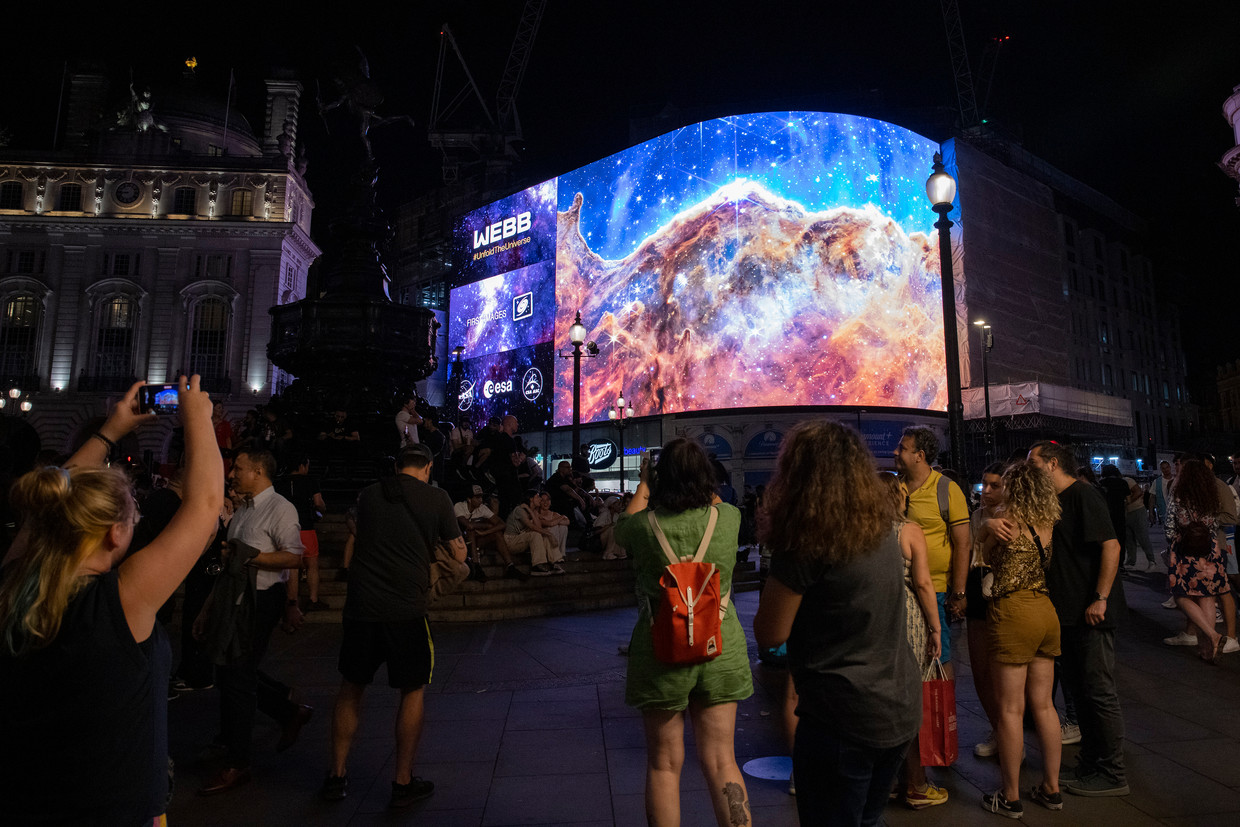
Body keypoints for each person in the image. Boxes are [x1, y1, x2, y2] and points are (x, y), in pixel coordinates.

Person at [0, 377, 222, 824]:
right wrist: (199, 417)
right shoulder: (119, 602)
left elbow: (49, 506)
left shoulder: (12, 582)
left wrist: (110, 431)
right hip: (110, 808)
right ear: (114, 534)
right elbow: (205, 506)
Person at [754, 421, 920, 826]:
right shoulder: (881, 528)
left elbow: (770, 633)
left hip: (842, 716)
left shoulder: (808, 541)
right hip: (898, 705)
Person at [617, 437, 752, 826]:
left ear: (662, 478)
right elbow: (713, 501)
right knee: (722, 759)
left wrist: (646, 484)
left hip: (661, 651)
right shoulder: (729, 518)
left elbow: (621, 530)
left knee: (663, 763)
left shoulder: (642, 528)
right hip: (720, 649)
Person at [322, 444, 466, 808]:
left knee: (351, 688)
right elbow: (459, 553)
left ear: (398, 465)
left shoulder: (369, 495)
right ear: (428, 467)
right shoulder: (437, 498)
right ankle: (402, 781)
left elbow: (355, 528)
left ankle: (336, 775)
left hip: (361, 607)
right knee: (412, 690)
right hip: (406, 608)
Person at [198, 444, 311, 795]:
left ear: (259, 472)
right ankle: (284, 714)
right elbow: (230, 564)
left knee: (237, 674)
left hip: (261, 601)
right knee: (231, 671)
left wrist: (251, 558)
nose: (232, 474)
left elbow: (294, 558)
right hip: (233, 598)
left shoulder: (280, 508)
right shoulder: (244, 511)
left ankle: (238, 759)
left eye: (239, 468)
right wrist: (208, 608)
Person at [1026, 440, 1128, 797]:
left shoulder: (1083, 495)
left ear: (1053, 463)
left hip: (1090, 613)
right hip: (1067, 613)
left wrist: (1100, 598)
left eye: (1034, 463)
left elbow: (1111, 546)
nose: (1029, 469)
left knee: (1098, 692)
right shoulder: (1054, 500)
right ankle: (1090, 764)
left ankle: (1112, 772)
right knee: (1081, 693)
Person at [974, 461, 1064, 818]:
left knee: (1010, 709)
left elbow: (979, 558)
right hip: (1045, 611)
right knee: (1044, 706)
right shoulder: (1047, 522)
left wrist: (985, 528)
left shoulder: (1005, 522)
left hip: (1013, 612)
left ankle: (1010, 796)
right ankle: (1051, 788)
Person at [893, 425, 969, 807]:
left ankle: (939, 732)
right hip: (901, 593)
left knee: (939, 664)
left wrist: (959, 592)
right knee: (913, 669)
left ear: (920, 455)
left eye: (902, 448)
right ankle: (915, 754)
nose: (896, 453)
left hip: (934, 591)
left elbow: (962, 543)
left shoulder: (946, 489)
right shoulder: (897, 489)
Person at [1163, 459, 1231, 662]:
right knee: (1207, 597)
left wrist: (1175, 539)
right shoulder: (1211, 496)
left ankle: (1212, 636)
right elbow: (1215, 523)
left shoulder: (1179, 494)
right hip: (1209, 549)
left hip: (1185, 550)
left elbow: (1169, 525)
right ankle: (1207, 650)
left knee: (1181, 595)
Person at [968, 462, 1005, 760]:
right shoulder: (977, 515)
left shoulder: (1012, 516)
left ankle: (1008, 736)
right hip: (978, 591)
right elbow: (973, 554)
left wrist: (988, 530)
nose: (986, 491)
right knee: (980, 669)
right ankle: (998, 730)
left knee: (1003, 672)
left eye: (995, 485)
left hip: (1005, 595)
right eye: (984, 484)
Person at [275, 453, 329, 610]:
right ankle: (313, 599)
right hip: (305, 526)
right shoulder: (310, 481)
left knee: (291, 565)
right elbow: (318, 503)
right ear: (302, 466)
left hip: (286, 528)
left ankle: (292, 601)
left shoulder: (280, 482)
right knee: (312, 563)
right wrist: (321, 510)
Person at [453, 484, 529, 581]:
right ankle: (476, 566)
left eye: (481, 497)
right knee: (471, 531)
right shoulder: (459, 506)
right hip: (462, 542)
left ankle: (510, 567)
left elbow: (502, 524)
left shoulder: (482, 508)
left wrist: (485, 532)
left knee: (497, 534)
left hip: (478, 540)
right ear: (469, 499)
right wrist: (487, 526)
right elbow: (469, 525)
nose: (481, 500)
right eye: (477, 497)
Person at [504, 489, 565, 575]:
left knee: (543, 534)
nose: (540, 499)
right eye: (538, 497)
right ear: (531, 499)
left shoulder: (533, 511)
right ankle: (537, 566)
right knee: (536, 534)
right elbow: (532, 526)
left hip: (522, 537)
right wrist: (550, 534)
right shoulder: (520, 510)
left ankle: (555, 562)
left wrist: (531, 511)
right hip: (511, 541)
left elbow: (538, 527)